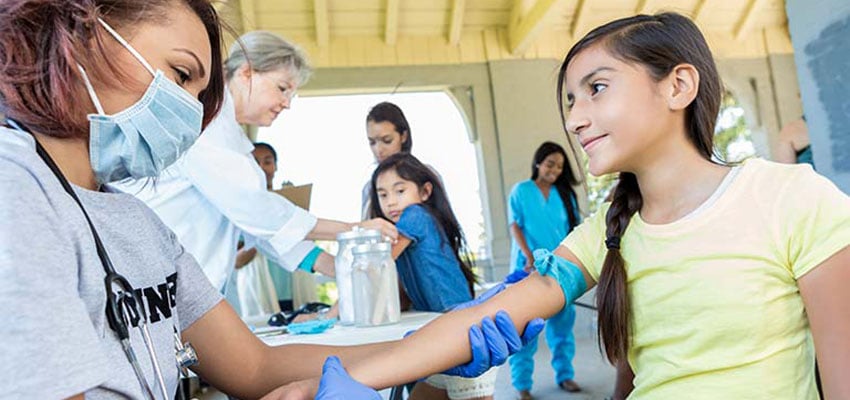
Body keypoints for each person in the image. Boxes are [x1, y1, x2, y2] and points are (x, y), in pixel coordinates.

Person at [267, 12, 850, 400]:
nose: (574, 118)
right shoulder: (607, 231)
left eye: (596, 88)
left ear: (678, 86)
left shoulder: (791, 197)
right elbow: (477, 322)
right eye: (570, 99)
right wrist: (334, 382)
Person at [0, 1, 545, 398]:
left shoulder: (136, 222)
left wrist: (438, 341)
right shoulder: (17, 188)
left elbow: (256, 365)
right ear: (80, 29)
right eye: (181, 73)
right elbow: (263, 216)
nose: (191, 114)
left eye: (199, 94)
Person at [115, 31, 397, 294]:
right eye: (282, 88)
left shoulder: (231, 139)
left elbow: (265, 232)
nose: (287, 103)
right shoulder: (203, 124)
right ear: (247, 72)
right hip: (152, 278)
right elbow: (258, 211)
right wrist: (353, 229)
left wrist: (337, 267)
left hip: (182, 286)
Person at [368, 153, 497, 400]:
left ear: (425, 192)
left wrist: (333, 312)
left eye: (399, 191)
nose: (391, 202)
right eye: (382, 194)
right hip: (442, 329)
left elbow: (378, 265)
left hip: (461, 329)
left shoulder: (415, 214)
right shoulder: (407, 225)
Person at [507, 141, 582, 399]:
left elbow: (575, 232)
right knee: (525, 330)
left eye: (560, 166)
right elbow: (515, 226)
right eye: (550, 163)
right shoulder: (521, 191)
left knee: (562, 328)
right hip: (528, 271)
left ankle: (565, 375)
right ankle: (522, 385)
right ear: (538, 162)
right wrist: (529, 257)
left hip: (560, 271)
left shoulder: (566, 195)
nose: (555, 170)